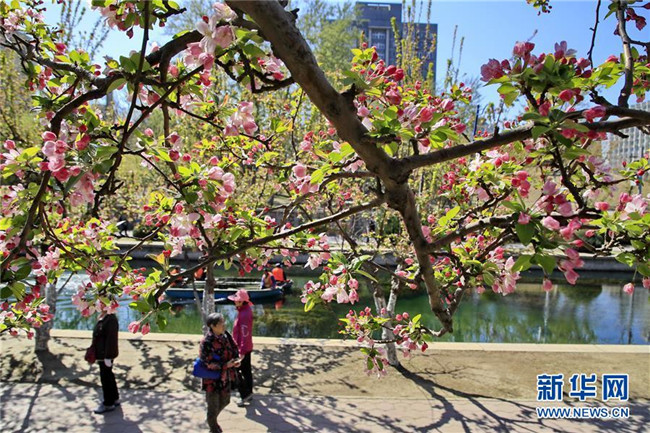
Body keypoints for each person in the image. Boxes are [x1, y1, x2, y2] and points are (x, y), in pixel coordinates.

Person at [200, 312, 241, 433]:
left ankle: (211, 420)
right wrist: (225, 365)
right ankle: (213, 427)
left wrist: (236, 360)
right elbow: (206, 363)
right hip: (212, 381)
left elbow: (234, 348)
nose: (224, 324)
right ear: (212, 326)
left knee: (225, 401)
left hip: (225, 378)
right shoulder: (207, 342)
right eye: (221, 323)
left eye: (223, 322)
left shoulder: (226, 335)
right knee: (213, 408)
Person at [227, 289, 254, 407]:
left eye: (236, 300)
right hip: (245, 347)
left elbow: (244, 334)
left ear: (241, 301)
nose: (234, 302)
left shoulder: (244, 314)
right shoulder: (244, 311)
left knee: (236, 372)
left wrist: (241, 352)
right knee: (246, 371)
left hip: (242, 348)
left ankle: (245, 395)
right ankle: (249, 393)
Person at [92, 311, 120, 414]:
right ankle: (115, 398)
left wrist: (108, 356)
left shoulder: (110, 319)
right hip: (101, 353)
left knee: (105, 378)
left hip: (105, 354)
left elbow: (111, 339)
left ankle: (108, 403)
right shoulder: (104, 316)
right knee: (108, 375)